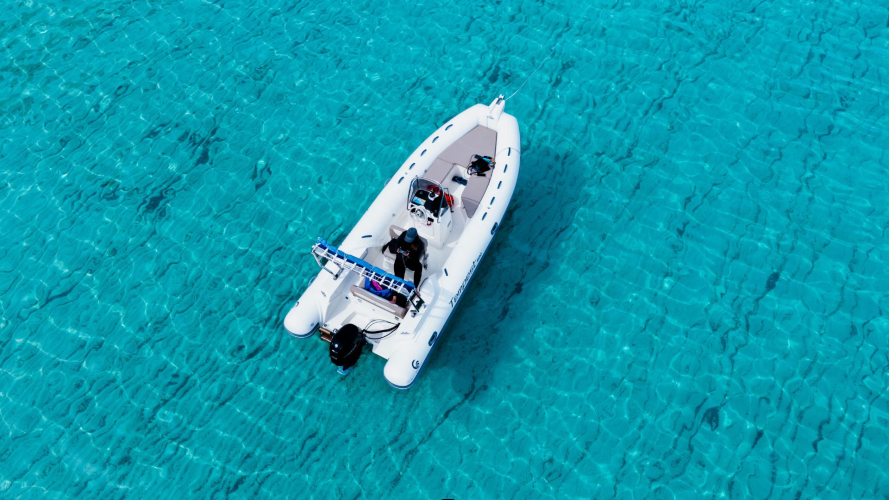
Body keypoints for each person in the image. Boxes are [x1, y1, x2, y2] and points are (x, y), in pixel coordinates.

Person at [381, 227, 426, 305]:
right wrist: (397, 249)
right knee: (398, 277)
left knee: (419, 266)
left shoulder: (419, 244)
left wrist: (409, 255)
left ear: (415, 237)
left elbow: (416, 259)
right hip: (400, 258)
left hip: (410, 261)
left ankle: (415, 288)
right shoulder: (404, 234)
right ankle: (394, 297)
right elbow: (397, 243)